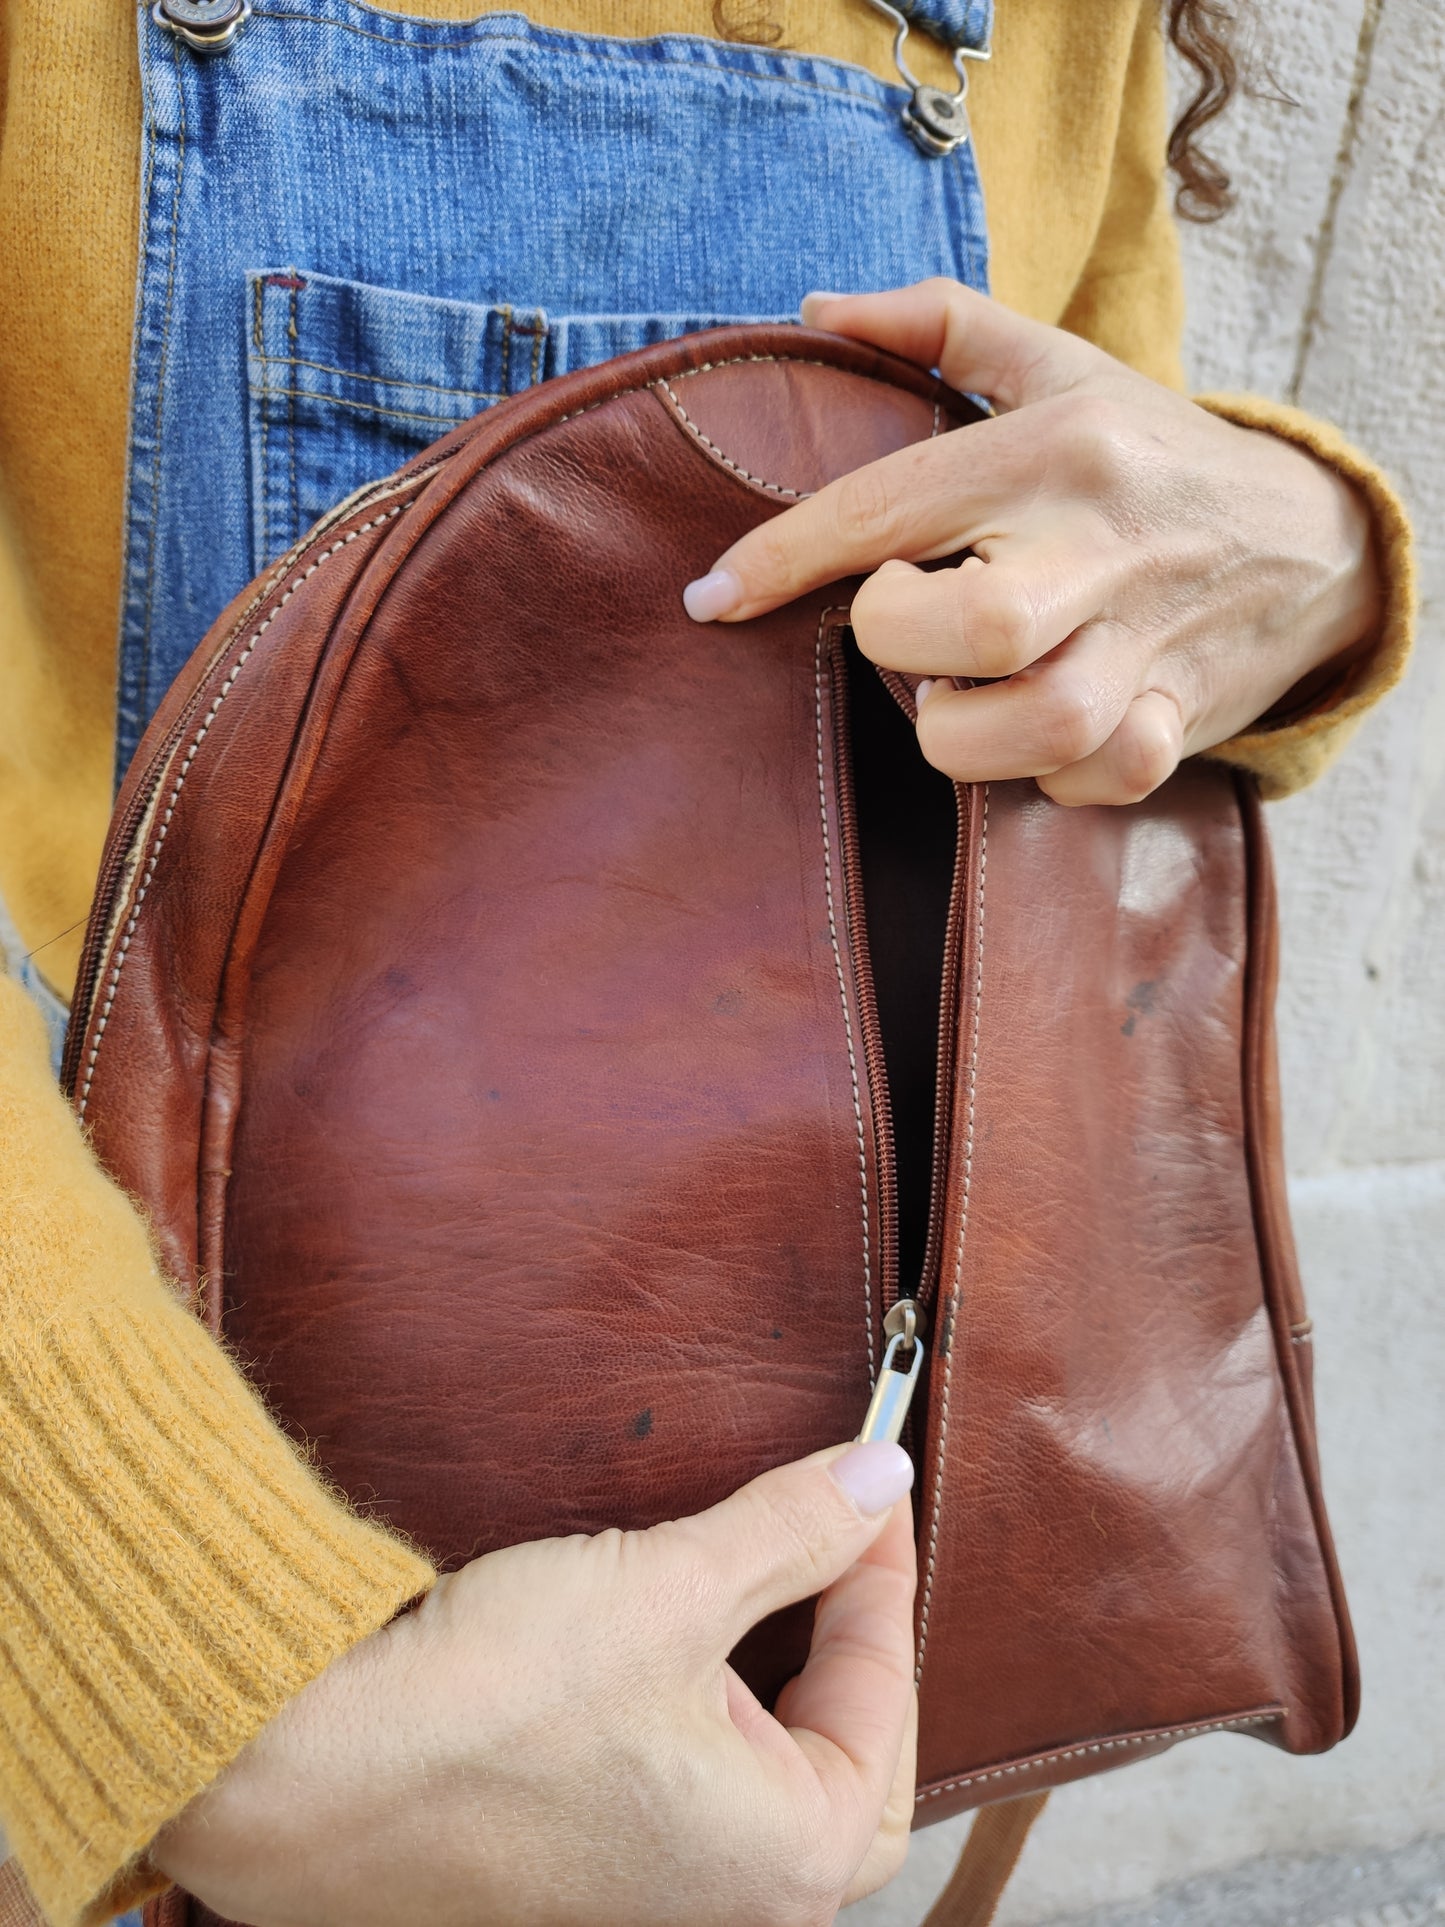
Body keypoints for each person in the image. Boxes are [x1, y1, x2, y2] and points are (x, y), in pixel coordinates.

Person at [0, 1, 1414, 1922]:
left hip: (857, 1587)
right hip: (201, 1536)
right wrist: (207, 1680)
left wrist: (1312, 558)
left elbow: (1095, 606)